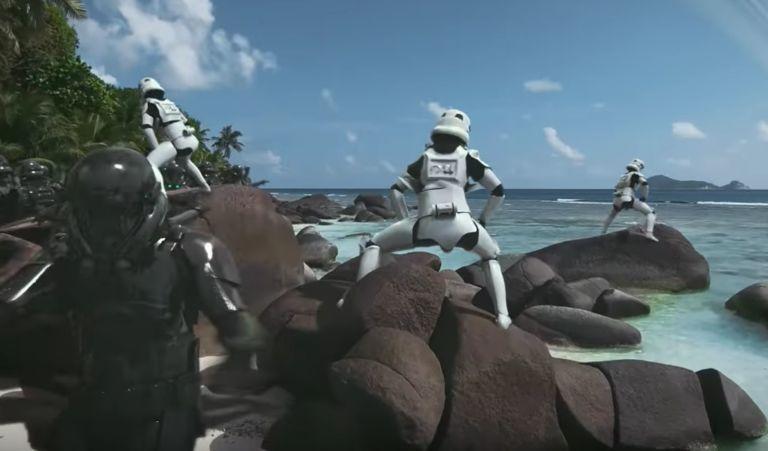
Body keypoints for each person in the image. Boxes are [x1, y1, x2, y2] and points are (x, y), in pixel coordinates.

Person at [0, 148, 267, 450]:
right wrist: (48, 260)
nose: (106, 231)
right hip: (93, 397)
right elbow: (12, 307)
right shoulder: (71, 256)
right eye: (94, 215)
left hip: (163, 407)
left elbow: (237, 324)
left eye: (117, 216)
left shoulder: (191, 249)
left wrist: (239, 360)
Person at [353, 109, 511, 329]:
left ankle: (356, 299)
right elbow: (498, 191)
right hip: (463, 226)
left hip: (424, 225)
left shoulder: (424, 158)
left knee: (373, 245)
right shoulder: (469, 158)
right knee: (490, 257)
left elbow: (396, 191)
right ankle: (502, 315)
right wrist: (483, 220)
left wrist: (404, 221)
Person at [139, 77, 211, 192]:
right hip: (190, 140)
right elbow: (185, 121)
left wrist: (156, 149)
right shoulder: (170, 103)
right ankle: (205, 186)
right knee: (185, 162)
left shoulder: (150, 104)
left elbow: (147, 128)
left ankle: (161, 194)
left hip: (176, 142)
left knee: (150, 165)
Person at [602, 158, 658, 242]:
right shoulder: (636, 174)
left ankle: (603, 231)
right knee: (651, 213)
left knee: (612, 215)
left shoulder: (623, 176)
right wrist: (644, 196)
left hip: (617, 199)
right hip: (628, 198)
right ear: (640, 167)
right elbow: (645, 184)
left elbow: (616, 188)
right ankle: (649, 233)